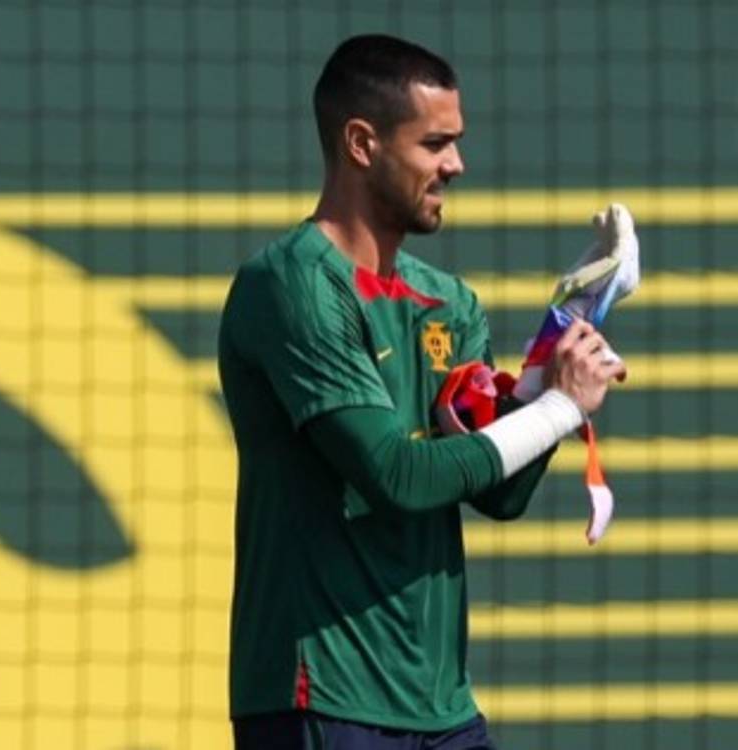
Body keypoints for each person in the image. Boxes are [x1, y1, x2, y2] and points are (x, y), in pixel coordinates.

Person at [218, 34, 628, 749]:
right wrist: (559, 407)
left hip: (442, 707)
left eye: (456, 142)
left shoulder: (449, 302)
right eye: (434, 144)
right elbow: (397, 477)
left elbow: (500, 493)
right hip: (324, 696)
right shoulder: (291, 285)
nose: (455, 165)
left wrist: (561, 339)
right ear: (361, 143)